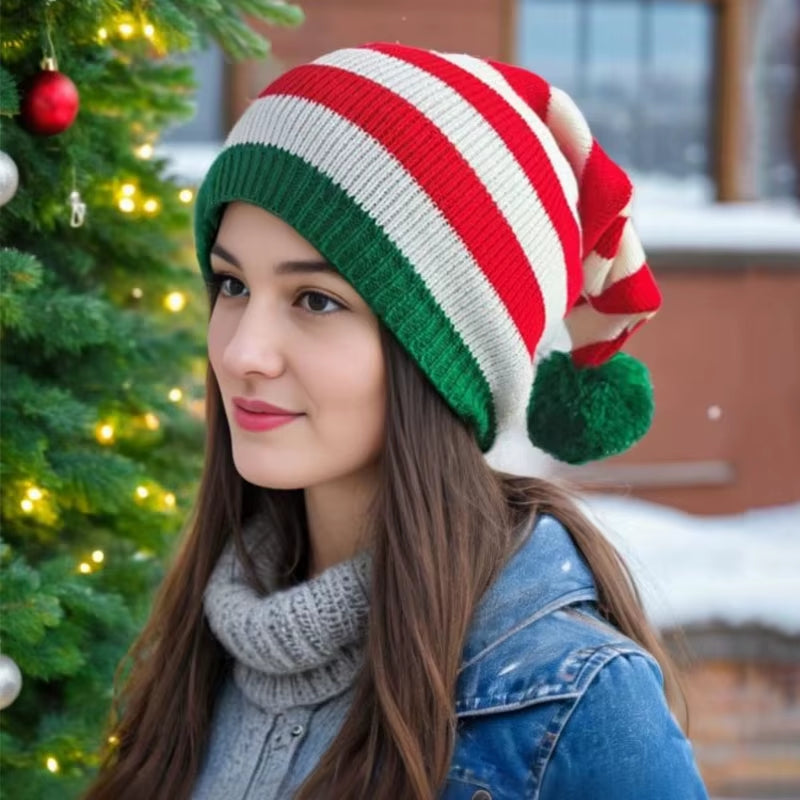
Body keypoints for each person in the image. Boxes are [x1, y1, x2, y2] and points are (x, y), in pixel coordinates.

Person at [85, 42, 709, 800]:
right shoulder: (194, 645)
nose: (243, 351)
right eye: (231, 284)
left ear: (445, 360)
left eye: (317, 300)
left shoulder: (575, 706)